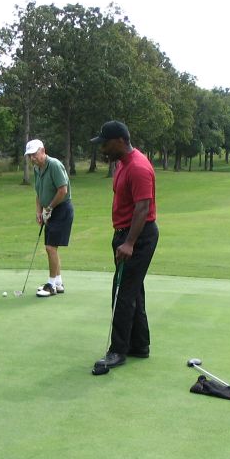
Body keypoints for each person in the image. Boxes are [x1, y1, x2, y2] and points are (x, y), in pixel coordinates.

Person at [90, 121, 159, 369]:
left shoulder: (139, 167)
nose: (103, 150)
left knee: (122, 292)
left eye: (106, 144)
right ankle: (139, 344)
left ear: (120, 140)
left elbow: (143, 208)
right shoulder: (121, 164)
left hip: (138, 237)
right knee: (133, 289)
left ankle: (117, 350)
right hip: (125, 235)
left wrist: (129, 242)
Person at [24, 139, 75, 297]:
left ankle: (51, 285)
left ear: (43, 150)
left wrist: (49, 208)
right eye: (29, 155)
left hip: (62, 209)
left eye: (34, 154)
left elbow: (62, 190)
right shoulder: (37, 168)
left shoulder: (54, 165)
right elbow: (39, 193)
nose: (32, 158)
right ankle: (58, 283)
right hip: (50, 210)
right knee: (52, 247)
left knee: (50, 247)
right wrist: (39, 211)